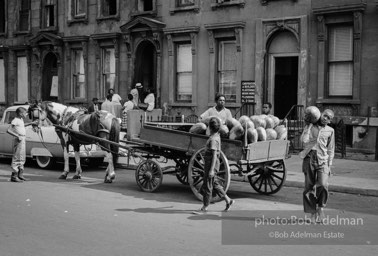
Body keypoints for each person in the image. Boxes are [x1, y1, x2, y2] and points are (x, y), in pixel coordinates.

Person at [192, 117, 234, 214]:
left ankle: (204, 207)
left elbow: (215, 155)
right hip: (210, 163)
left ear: (209, 128)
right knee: (214, 182)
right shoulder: (216, 136)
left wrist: (211, 170)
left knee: (208, 185)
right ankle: (228, 200)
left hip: (211, 164)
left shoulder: (213, 140)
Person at [299, 109, 335, 223]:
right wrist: (308, 128)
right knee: (309, 186)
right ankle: (312, 213)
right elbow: (303, 141)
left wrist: (329, 165)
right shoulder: (310, 126)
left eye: (329, 118)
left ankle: (320, 208)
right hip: (309, 158)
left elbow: (331, 150)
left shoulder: (330, 131)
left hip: (323, 160)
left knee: (323, 185)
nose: (326, 118)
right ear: (320, 115)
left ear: (330, 121)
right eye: (325, 115)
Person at [7, 107, 37, 182]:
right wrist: (17, 136)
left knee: (22, 157)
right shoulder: (15, 120)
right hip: (18, 139)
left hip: (22, 139)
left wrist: (31, 123)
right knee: (17, 157)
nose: (26, 115)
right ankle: (14, 176)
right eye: (25, 113)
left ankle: (20, 175)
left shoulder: (21, 120)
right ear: (20, 113)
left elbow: (22, 125)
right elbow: (8, 130)